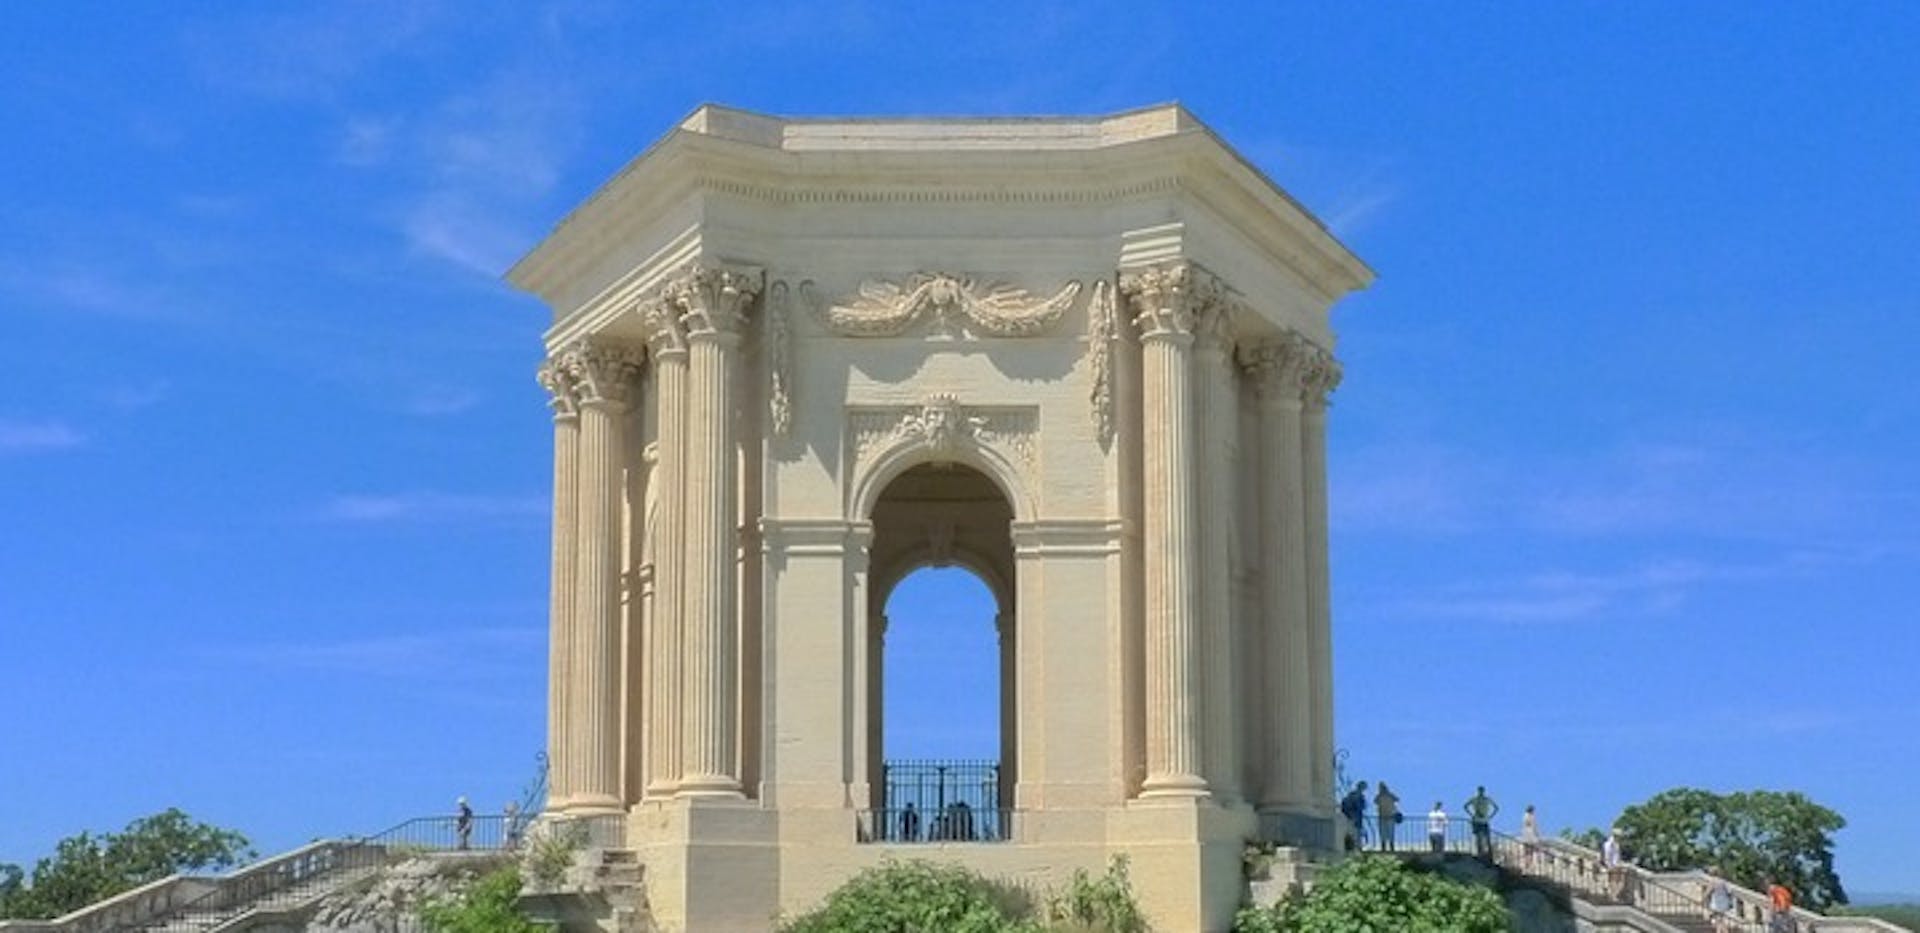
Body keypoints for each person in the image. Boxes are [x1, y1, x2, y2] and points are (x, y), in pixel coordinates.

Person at [1463, 786, 1500, 860]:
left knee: (1486, 838)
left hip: (1484, 820)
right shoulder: (1475, 799)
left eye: (1482, 791)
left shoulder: (1486, 799)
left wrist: (1490, 816)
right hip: (1477, 820)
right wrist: (1472, 814)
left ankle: (1488, 854)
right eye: (1480, 791)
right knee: (1478, 838)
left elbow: (1496, 808)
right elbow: (1465, 806)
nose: (1481, 793)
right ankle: (1480, 853)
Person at [1703, 868, 1734, 933]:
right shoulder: (1723, 881)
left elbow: (1708, 892)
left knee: (1717, 919)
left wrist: (1703, 899)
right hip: (1724, 902)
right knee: (1719, 919)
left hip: (1717, 902)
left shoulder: (1713, 881)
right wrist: (1730, 902)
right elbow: (1730, 892)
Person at [1339, 782, 1369, 851]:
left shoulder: (1352, 795)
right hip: (1354, 817)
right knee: (1355, 833)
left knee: (1355, 832)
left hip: (1353, 817)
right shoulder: (1357, 796)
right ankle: (1356, 847)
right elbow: (1360, 806)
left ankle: (1356, 846)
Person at [1374, 782, 1401, 852]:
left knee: (1390, 833)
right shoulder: (1379, 796)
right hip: (1382, 817)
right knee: (1383, 834)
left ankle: (1391, 848)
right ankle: (1384, 848)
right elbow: (1375, 801)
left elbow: (1397, 799)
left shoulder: (1390, 795)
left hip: (1390, 817)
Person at [1602, 827, 1625, 900]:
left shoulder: (1616, 844)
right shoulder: (1608, 844)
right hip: (1610, 865)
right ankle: (1612, 895)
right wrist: (1609, 865)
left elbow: (1617, 855)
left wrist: (1619, 863)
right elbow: (1606, 855)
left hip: (1616, 864)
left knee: (1618, 880)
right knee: (1613, 880)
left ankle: (1613, 894)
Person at [1520, 804, 1540, 868]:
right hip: (1530, 834)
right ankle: (1530, 864)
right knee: (1532, 849)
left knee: (1527, 850)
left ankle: (1526, 863)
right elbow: (1534, 826)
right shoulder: (1531, 817)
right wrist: (1537, 834)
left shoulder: (1524, 816)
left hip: (1525, 834)